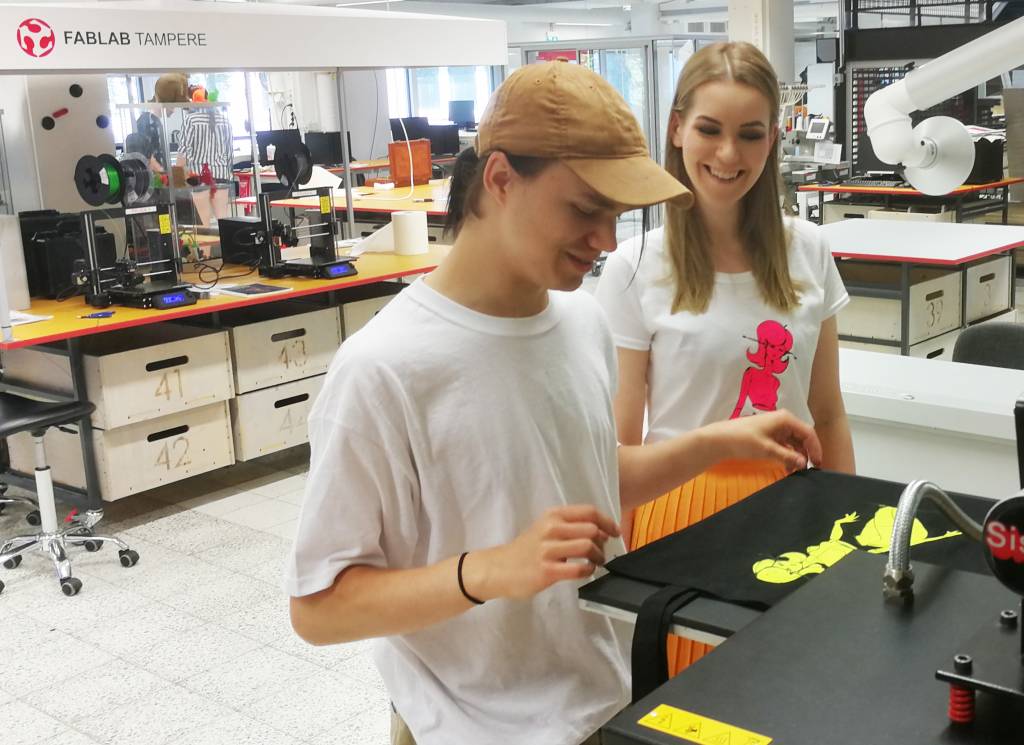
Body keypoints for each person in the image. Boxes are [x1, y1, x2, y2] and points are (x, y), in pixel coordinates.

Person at [284, 60, 822, 745]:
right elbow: (318, 607)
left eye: (616, 217)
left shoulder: (579, 322)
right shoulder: (384, 368)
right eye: (584, 210)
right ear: (501, 179)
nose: (606, 242)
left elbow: (589, 479)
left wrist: (721, 441)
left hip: (605, 703)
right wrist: (488, 570)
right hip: (472, 727)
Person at [595, 41, 855, 677]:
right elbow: (618, 443)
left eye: (751, 134)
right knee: (686, 701)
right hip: (679, 511)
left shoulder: (809, 250)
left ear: (773, 140)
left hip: (793, 508)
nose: (729, 154)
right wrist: (617, 572)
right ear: (677, 128)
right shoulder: (635, 267)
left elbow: (827, 412)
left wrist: (848, 526)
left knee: (788, 689)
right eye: (710, 130)